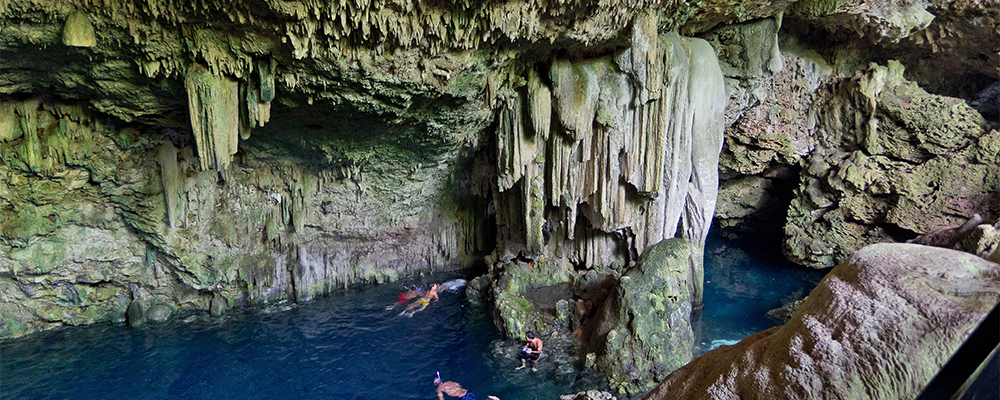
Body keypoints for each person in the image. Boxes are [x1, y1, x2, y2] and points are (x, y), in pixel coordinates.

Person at [433, 372, 499, 400]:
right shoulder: (449, 382)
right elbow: (458, 385)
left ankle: (491, 399)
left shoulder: (439, 389)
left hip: (463, 397)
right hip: (468, 392)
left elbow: (441, 398)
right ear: (440, 380)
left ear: (436, 384)